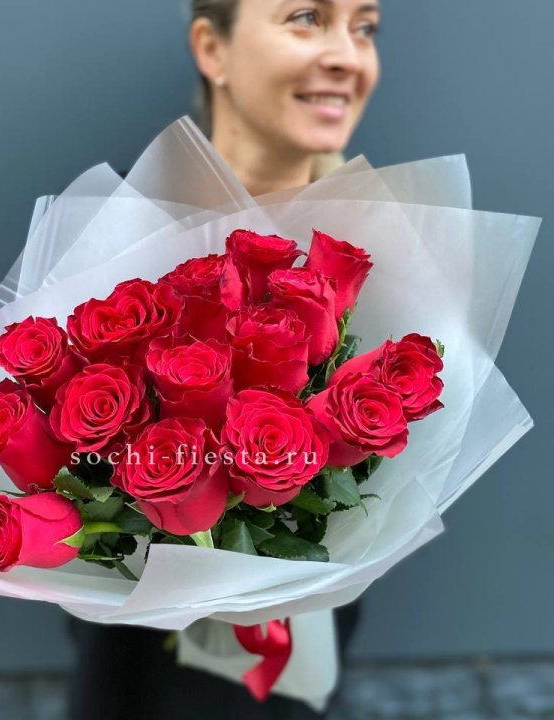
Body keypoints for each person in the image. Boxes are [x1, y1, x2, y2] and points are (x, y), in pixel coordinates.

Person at [68, 1, 381, 717]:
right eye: (307, 18)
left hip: (309, 641)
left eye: (364, 27)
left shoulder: (377, 235)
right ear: (212, 48)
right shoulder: (123, 231)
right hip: (139, 665)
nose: (346, 55)